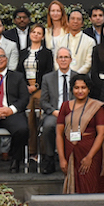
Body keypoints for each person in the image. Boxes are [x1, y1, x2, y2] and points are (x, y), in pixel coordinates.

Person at [57, 74, 104, 193]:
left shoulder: (97, 107)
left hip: (91, 152)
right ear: (72, 89)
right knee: (73, 186)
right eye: (76, 88)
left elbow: (102, 134)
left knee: (90, 184)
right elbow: (59, 134)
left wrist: (90, 157)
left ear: (89, 89)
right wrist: (61, 158)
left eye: (83, 87)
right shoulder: (65, 106)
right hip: (71, 152)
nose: (80, 91)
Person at [18, 24, 53, 165]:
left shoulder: (47, 53)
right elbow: (18, 71)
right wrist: (26, 86)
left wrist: (36, 85)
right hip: (25, 87)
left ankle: (42, 150)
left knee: (37, 109)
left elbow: (48, 71)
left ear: (43, 36)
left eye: (39, 33)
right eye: (33, 32)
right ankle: (29, 151)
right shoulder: (23, 52)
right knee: (27, 113)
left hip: (40, 87)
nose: (36, 35)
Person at [38, 44, 72, 176]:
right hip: (54, 113)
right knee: (48, 126)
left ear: (70, 59)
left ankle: (74, 159)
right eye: (60, 57)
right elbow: (43, 101)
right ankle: (49, 159)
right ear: (56, 60)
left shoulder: (77, 77)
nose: (63, 60)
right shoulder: (48, 78)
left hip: (72, 113)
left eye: (66, 57)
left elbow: (82, 99)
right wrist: (54, 111)